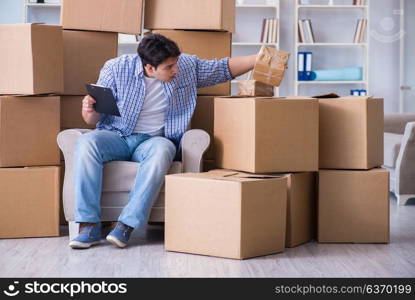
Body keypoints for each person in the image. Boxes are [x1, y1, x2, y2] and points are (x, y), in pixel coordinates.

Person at [69, 34, 257, 249]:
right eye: (169, 67)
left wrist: (260, 58)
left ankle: (126, 225)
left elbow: (223, 68)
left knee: (164, 149)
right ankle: (88, 225)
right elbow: (93, 119)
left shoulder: (185, 66)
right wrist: (88, 110)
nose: (175, 70)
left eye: (175, 63)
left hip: (154, 141)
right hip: (117, 136)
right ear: (149, 68)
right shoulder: (115, 68)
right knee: (86, 143)